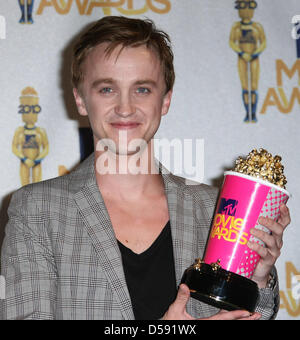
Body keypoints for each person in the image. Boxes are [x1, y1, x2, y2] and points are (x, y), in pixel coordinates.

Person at [0, 16, 290, 320]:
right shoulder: (38, 210)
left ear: (165, 101)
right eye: (107, 89)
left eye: (142, 89)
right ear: (81, 100)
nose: (125, 108)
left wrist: (255, 279)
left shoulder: (215, 210)